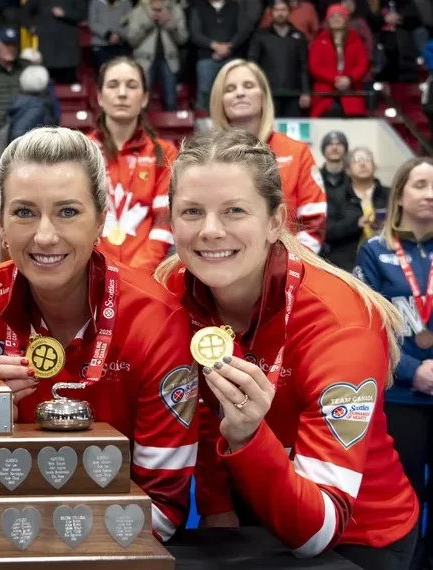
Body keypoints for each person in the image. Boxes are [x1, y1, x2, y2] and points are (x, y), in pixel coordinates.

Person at [156, 128, 418, 569]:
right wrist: (218, 506)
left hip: (356, 535)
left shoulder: (341, 322)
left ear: (276, 220)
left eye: (235, 210)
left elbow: (318, 531)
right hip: (250, 515)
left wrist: (247, 437)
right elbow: (194, 406)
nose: (210, 231)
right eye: (192, 212)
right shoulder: (171, 291)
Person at [0, 127, 197, 542]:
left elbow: (163, 508)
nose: (44, 235)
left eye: (68, 212)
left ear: (101, 219)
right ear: (0, 223)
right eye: (23, 212)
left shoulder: (157, 320)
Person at [354, 157, 433, 570]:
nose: (431, 194)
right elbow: (367, 325)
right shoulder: (375, 251)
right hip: (401, 395)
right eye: (421, 184)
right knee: (408, 494)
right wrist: (410, 371)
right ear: (400, 193)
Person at [209, 59, 328, 254]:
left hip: (287, 267)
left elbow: (313, 221)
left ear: (263, 96)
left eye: (248, 86)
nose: (239, 93)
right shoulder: (206, 157)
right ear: (219, 100)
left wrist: (288, 268)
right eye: (230, 88)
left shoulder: (297, 152)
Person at [89, 57, 178, 274]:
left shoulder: (165, 153)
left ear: (145, 98)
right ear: (100, 97)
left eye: (131, 85)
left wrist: (137, 275)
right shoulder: (81, 150)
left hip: (146, 277)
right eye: (113, 85)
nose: (122, 93)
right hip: (90, 275)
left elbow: (164, 220)